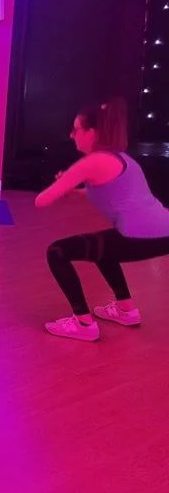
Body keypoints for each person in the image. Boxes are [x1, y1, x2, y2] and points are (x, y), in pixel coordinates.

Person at [36, 98, 169, 342]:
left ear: (92, 133)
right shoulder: (122, 158)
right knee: (103, 250)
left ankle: (84, 323)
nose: (71, 134)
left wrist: (64, 182)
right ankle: (126, 310)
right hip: (164, 233)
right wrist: (71, 187)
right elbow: (100, 191)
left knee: (57, 251)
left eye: (76, 129)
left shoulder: (93, 162)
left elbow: (41, 201)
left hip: (139, 235)